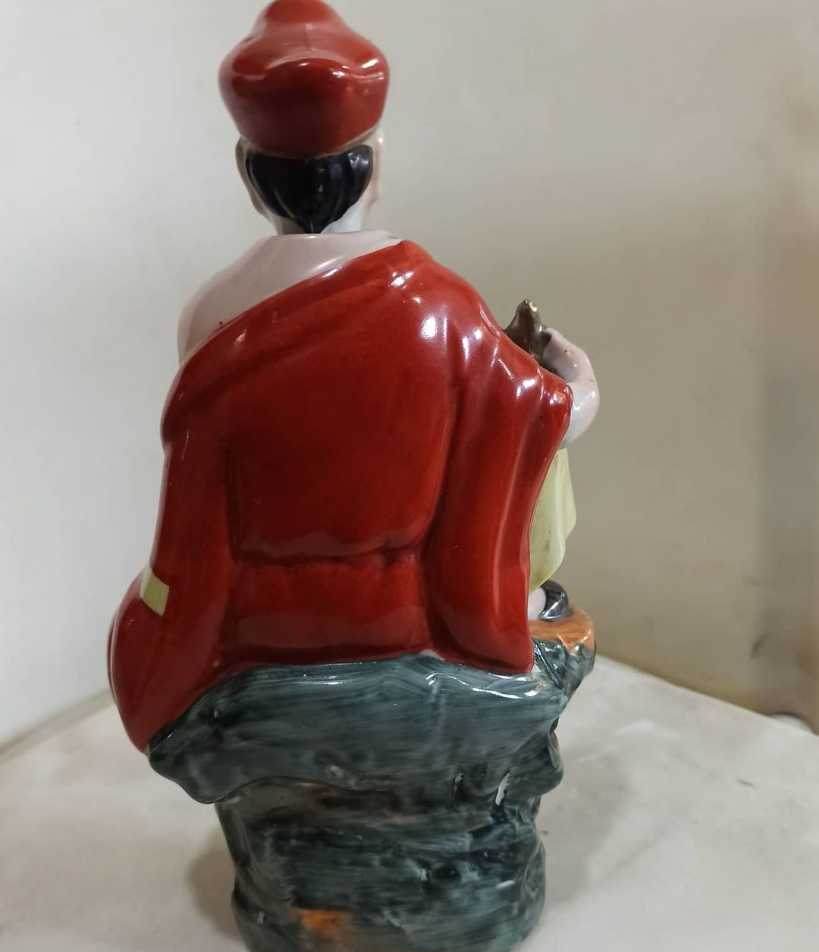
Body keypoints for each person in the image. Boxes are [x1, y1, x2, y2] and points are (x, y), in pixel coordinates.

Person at [109, 0, 599, 751]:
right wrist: (573, 374)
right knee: (540, 520)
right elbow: (547, 416)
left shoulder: (210, 313)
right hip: (402, 612)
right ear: (375, 164)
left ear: (247, 173)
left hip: (254, 622)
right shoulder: (438, 306)